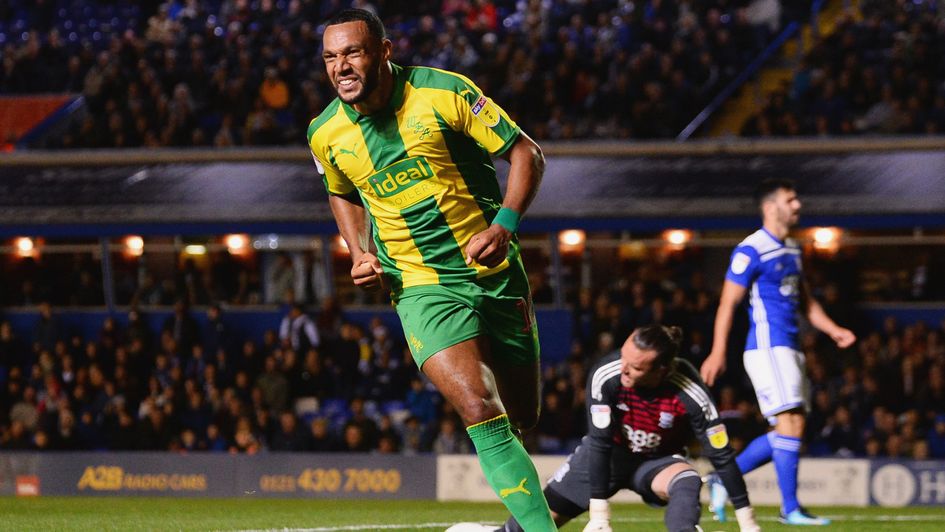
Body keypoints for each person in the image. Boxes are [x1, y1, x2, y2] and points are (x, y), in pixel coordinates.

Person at [307, 9, 554, 530]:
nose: (341, 67)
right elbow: (340, 190)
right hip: (419, 286)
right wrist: (359, 251)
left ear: (384, 51)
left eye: (352, 52)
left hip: (494, 274)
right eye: (331, 57)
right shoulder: (325, 132)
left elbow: (526, 153)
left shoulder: (444, 93)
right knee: (477, 405)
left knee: (524, 415)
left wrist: (504, 226)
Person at [450, 325, 760, 532]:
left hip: (658, 462)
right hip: (606, 456)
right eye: (624, 357)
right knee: (537, 525)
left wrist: (749, 524)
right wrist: (599, 516)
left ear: (662, 370)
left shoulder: (690, 390)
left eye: (636, 367)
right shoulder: (606, 375)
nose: (623, 367)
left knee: (688, 479)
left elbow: (721, 455)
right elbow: (598, 443)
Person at [700, 178, 856, 526]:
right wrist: (717, 351)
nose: (798, 205)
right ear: (771, 207)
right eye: (791, 199)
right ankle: (790, 509)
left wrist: (833, 330)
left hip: (791, 347)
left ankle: (721, 478)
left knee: (792, 428)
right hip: (768, 347)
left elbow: (806, 301)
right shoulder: (751, 249)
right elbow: (728, 303)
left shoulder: (792, 248)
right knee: (789, 423)